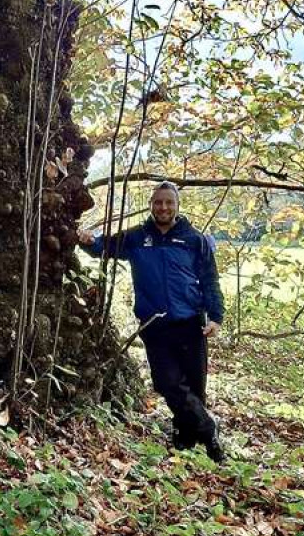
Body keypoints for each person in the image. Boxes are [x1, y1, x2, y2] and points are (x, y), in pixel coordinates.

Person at [79, 181, 226, 462]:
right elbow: (106, 246)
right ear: (151, 205)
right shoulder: (138, 237)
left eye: (169, 202)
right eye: (158, 202)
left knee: (195, 387)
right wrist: (87, 241)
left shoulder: (195, 240)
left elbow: (210, 281)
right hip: (154, 324)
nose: (163, 207)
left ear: (177, 206)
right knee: (167, 382)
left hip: (191, 323)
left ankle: (185, 439)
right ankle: (208, 428)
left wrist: (216, 317)